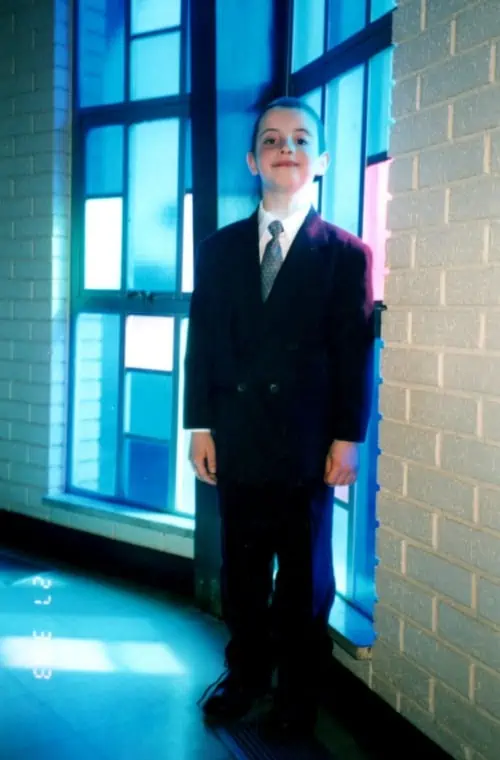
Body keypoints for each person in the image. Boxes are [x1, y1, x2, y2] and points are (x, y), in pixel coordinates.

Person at [184, 96, 374, 740]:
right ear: (252, 160)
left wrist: (348, 438)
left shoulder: (346, 255)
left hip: (306, 446)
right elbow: (202, 341)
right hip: (236, 439)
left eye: (299, 140)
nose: (285, 149)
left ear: (319, 160)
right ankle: (244, 674)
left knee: (304, 576)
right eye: (272, 140)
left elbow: (354, 354)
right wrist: (199, 426)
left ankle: (297, 690)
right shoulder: (216, 250)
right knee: (241, 570)